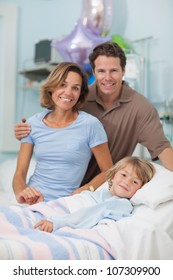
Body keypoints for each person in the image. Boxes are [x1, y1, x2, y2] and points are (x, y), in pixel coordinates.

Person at [14, 41, 173, 185]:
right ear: (94, 72)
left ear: (123, 71)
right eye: (101, 71)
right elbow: (53, 124)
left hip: (106, 187)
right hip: (67, 188)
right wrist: (26, 130)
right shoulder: (77, 99)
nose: (107, 78)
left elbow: (162, 148)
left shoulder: (141, 108)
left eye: (114, 71)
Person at [12, 62, 113, 205]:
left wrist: (86, 189)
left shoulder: (90, 125)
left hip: (66, 204)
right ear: (52, 87)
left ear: (80, 94)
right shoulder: (33, 123)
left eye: (75, 88)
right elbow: (19, 173)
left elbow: (108, 170)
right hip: (31, 201)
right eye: (62, 85)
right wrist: (22, 194)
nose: (68, 92)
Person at [34, 156, 155, 232]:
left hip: (59, 221)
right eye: (123, 175)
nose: (127, 182)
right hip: (54, 211)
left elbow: (90, 214)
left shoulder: (122, 204)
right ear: (113, 176)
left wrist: (57, 222)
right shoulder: (101, 193)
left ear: (140, 189)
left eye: (135, 181)